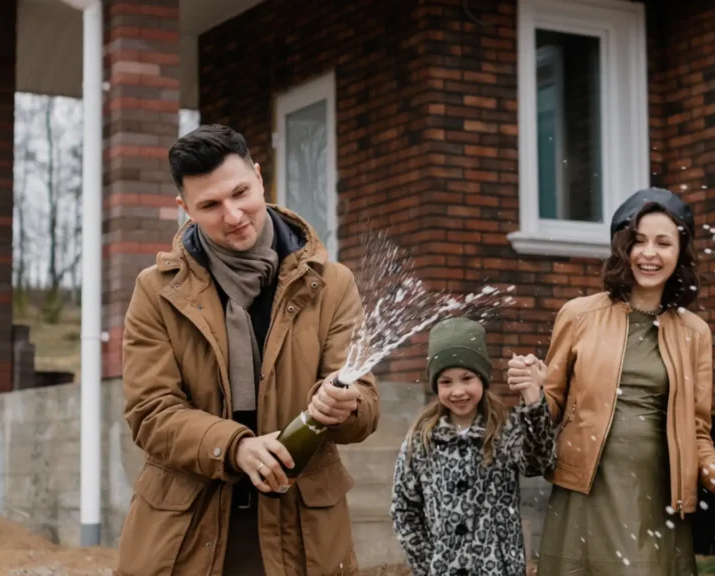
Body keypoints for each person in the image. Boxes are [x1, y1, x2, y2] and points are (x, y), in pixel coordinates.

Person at [116, 124, 379, 576]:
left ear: (259, 177)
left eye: (240, 193)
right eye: (210, 205)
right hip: (184, 534)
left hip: (304, 533)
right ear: (185, 209)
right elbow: (150, 413)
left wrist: (345, 404)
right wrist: (235, 448)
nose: (234, 215)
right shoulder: (156, 291)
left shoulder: (333, 284)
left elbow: (366, 409)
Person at [508, 187, 715, 575]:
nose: (649, 253)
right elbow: (551, 408)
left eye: (663, 243)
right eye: (638, 241)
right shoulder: (578, 315)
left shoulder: (695, 333)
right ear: (622, 247)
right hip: (583, 496)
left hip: (657, 499)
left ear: (680, 253)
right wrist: (533, 393)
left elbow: (697, 437)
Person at [390, 317, 557, 576]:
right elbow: (404, 509)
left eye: (467, 378)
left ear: (482, 378)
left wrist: (533, 400)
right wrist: (427, 565)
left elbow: (539, 462)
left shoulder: (504, 430)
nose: (458, 391)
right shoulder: (422, 441)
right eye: (446, 382)